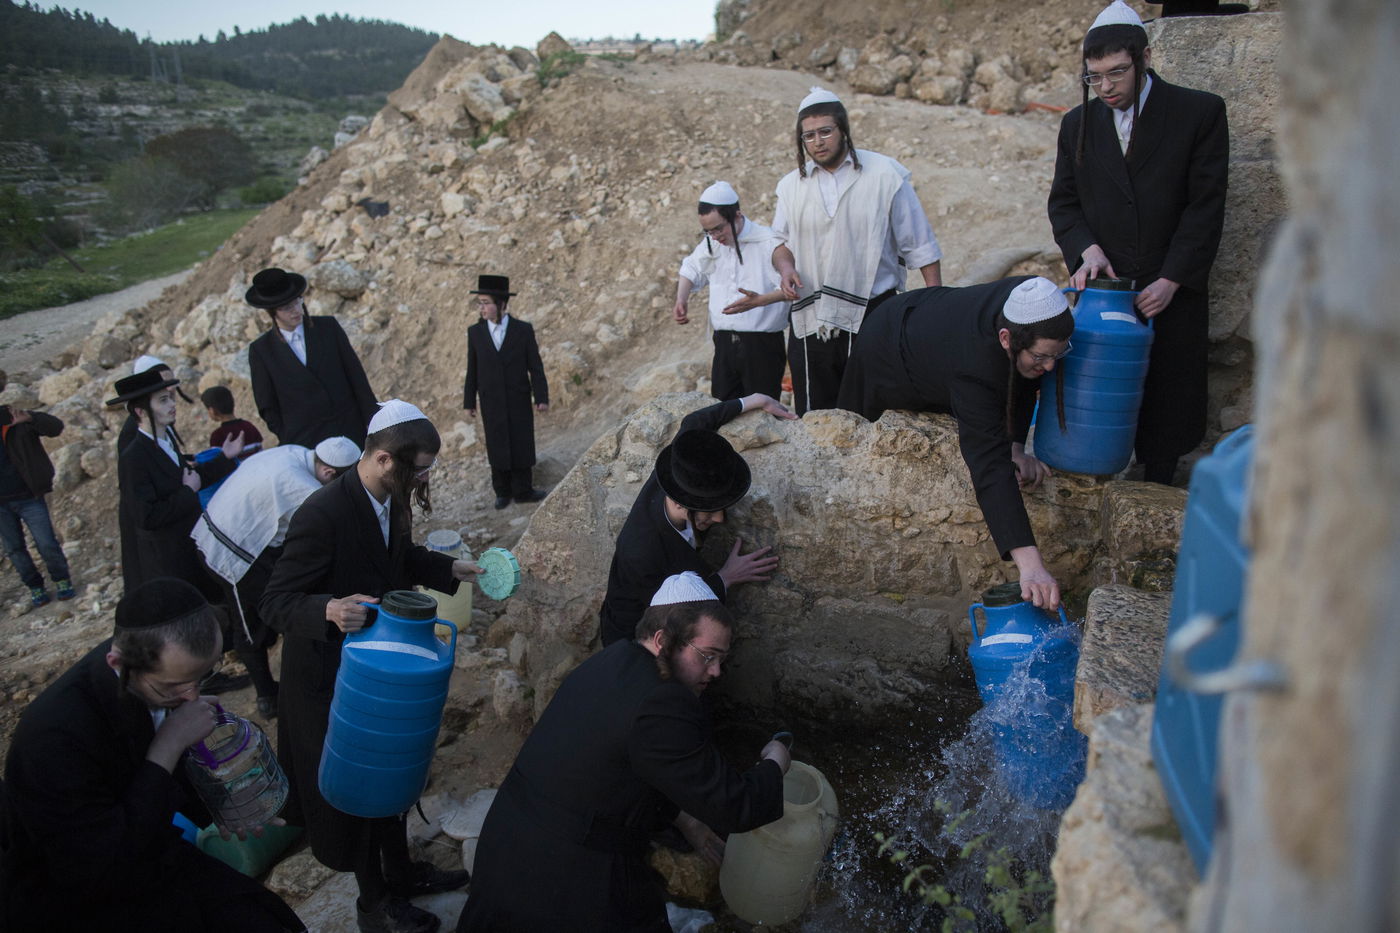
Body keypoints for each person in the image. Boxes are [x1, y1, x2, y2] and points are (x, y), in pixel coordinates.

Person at [456, 573, 791, 933]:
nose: (716, 671)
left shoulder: (614, 660)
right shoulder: (664, 701)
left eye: (721, 659)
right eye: (708, 656)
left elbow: (623, 766)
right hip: (565, 877)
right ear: (663, 640)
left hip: (509, 843)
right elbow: (736, 803)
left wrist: (686, 819)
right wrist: (775, 762)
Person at [260, 400, 478, 933]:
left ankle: (401, 873)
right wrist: (328, 609)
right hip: (327, 680)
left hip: (376, 671)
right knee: (357, 793)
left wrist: (453, 568)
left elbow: (398, 558)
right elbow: (275, 601)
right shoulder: (324, 513)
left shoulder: (390, 499)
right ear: (383, 459)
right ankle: (374, 902)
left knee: (393, 774)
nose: (423, 477)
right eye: (417, 468)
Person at [0, 576, 306, 933]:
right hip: (84, 896)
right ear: (118, 662)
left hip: (152, 853)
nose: (191, 698)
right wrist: (167, 746)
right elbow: (100, 864)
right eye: (175, 686)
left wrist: (219, 809)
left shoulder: (151, 674)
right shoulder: (54, 738)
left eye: (201, 678)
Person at [1047, 0, 1228, 485]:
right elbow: (1064, 204)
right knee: (1100, 395)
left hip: (1170, 286)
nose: (1105, 87)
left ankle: (1158, 486)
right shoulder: (1076, 124)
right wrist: (1087, 249)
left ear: (1145, 58)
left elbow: (1205, 206)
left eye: (1116, 73)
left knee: (1168, 403)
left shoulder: (1199, 113)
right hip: (1107, 291)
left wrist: (1172, 278)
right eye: (1094, 77)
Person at [837, 276, 1074, 610]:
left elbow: (1019, 380)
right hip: (888, 341)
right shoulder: (975, 366)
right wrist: (1031, 566)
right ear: (1006, 338)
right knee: (854, 434)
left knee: (1018, 375)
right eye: (1042, 356)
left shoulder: (1033, 302)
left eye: (1058, 354)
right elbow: (988, 465)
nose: (1050, 366)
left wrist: (1016, 446)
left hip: (939, 326)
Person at [770, 86, 943, 415]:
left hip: (874, 312)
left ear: (843, 130)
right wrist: (786, 268)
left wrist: (935, 306)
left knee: (873, 409)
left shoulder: (885, 175)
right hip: (811, 314)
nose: (818, 142)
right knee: (816, 415)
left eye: (825, 131)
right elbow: (779, 243)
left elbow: (919, 243)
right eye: (808, 136)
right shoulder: (791, 186)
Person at [598, 393, 794, 647]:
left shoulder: (681, 470)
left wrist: (753, 401)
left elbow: (695, 422)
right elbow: (672, 611)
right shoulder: (641, 549)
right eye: (709, 510)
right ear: (680, 502)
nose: (720, 518)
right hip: (635, 638)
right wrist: (726, 577)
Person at [191, 436, 361, 719]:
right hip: (226, 550)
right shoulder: (303, 488)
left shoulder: (296, 451)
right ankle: (267, 695)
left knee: (270, 606)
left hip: (237, 532)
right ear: (329, 473)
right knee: (249, 622)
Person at [112, 368, 243, 598]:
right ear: (141, 411)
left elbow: (189, 478)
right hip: (169, 560)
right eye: (163, 401)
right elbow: (145, 516)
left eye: (171, 398)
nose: (172, 405)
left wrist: (225, 457)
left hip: (190, 544)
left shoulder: (165, 440)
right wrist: (186, 493)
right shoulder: (133, 457)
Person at [673, 181, 790, 401]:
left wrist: (761, 301)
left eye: (718, 228)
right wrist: (682, 298)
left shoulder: (767, 241)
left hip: (761, 347)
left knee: (763, 413)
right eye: (708, 231)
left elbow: (788, 288)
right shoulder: (712, 243)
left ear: (737, 215)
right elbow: (690, 268)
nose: (715, 236)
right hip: (725, 345)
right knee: (723, 410)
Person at [246, 267, 379, 447]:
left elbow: (356, 376)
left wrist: (373, 422)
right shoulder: (261, 351)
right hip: (307, 442)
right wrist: (289, 436)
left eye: (297, 302)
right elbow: (267, 405)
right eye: (286, 308)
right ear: (272, 312)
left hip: (350, 430)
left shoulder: (328, 328)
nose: (295, 311)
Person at [462, 274, 550, 510]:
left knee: (521, 441)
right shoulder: (475, 333)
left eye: (486, 302)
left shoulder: (523, 330)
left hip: (518, 397)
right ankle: (502, 491)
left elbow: (535, 366)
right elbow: (473, 368)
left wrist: (541, 397)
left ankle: (523, 489)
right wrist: (469, 400)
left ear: (501, 304)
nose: (482, 307)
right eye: (479, 303)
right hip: (491, 400)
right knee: (496, 442)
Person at [0, 396, 75, 607]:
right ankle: (35, 587)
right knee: (14, 549)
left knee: (46, 543)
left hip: (28, 496)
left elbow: (56, 427)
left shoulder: (13, 417)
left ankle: (62, 580)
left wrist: (31, 417)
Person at [116, 355, 189, 456]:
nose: (171, 388)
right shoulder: (134, 431)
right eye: (164, 384)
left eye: (171, 382)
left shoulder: (161, 417)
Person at [201, 385, 264, 461]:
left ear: (212, 411)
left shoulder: (217, 436)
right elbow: (260, 453)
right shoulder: (249, 426)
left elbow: (219, 463)